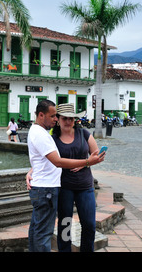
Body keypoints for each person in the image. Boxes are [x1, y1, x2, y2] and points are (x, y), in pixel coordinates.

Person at [26, 99, 105, 252]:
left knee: (89, 224)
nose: (68, 121)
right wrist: (31, 171)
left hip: (84, 186)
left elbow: (96, 156)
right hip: (64, 187)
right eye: (63, 118)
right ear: (58, 119)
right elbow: (47, 159)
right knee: (65, 224)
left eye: (71, 118)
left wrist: (84, 163)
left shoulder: (83, 134)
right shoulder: (52, 138)